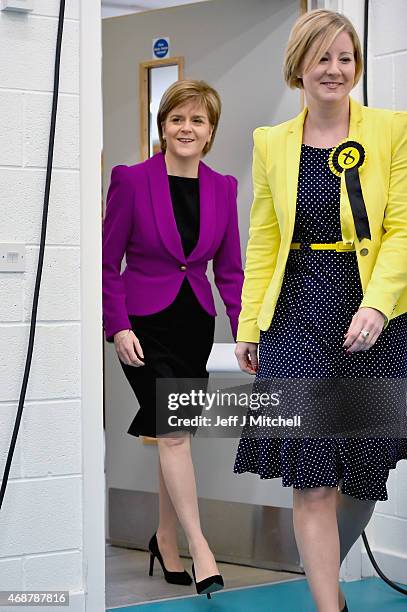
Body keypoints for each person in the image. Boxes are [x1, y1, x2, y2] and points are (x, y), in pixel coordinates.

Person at [234, 9, 407, 612]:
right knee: (312, 476)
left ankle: (327, 582)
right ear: (299, 66)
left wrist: (378, 306)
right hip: (295, 312)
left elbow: (401, 230)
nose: (335, 69)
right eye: (323, 57)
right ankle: (329, 607)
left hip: (373, 318)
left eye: (345, 57)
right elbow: (262, 238)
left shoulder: (393, 129)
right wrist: (249, 322)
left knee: (363, 472)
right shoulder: (269, 142)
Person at [102, 79, 243, 598]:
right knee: (176, 434)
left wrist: (245, 329)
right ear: (162, 127)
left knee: (172, 432)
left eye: (197, 121)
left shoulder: (223, 187)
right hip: (143, 323)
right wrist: (116, 325)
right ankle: (199, 546)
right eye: (177, 119)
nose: (186, 129)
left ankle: (164, 538)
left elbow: (230, 271)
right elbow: (106, 261)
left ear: (211, 132)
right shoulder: (131, 180)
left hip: (192, 322)